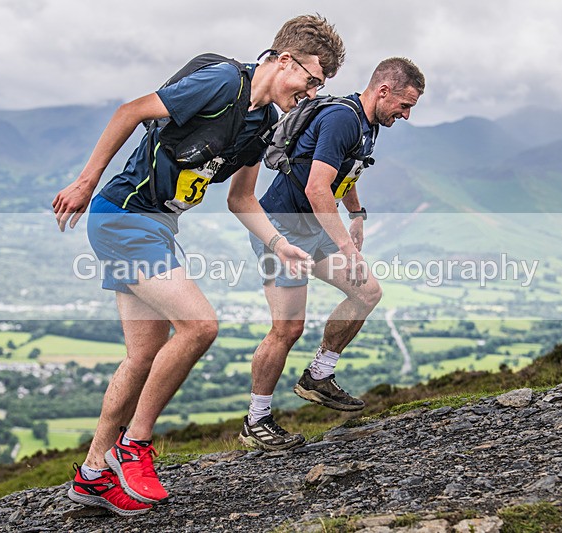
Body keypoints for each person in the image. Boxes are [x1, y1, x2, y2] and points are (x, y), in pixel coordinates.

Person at [52, 15, 345, 515]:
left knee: (141, 357)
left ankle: (93, 474)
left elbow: (242, 200)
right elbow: (129, 112)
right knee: (199, 326)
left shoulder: (262, 126)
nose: (313, 92)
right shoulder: (223, 82)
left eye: (322, 86)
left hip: (157, 227)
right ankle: (135, 445)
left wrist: (279, 243)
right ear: (284, 60)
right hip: (122, 217)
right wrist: (85, 181)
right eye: (312, 80)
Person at [229, 58, 424, 450]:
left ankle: (319, 376)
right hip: (281, 229)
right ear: (383, 91)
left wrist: (356, 215)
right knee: (287, 328)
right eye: (404, 106)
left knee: (367, 292)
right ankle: (256, 421)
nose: (405, 115)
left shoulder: (368, 125)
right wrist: (348, 247)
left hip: (315, 229)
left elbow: (342, 174)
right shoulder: (342, 118)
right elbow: (318, 189)